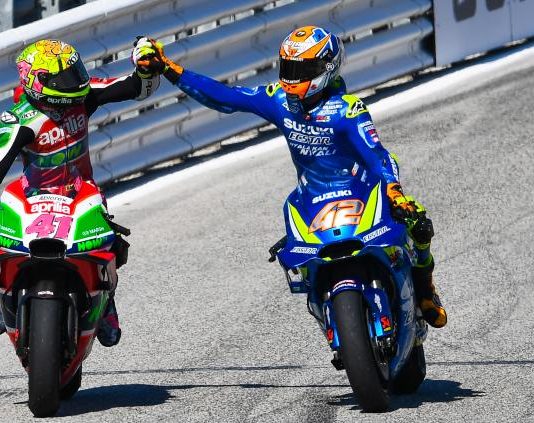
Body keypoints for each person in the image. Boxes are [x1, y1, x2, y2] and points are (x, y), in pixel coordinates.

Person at [133, 27, 447, 329]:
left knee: (418, 223)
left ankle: (425, 292)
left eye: (302, 69)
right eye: (289, 68)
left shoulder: (348, 110)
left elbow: (377, 154)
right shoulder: (279, 100)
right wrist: (170, 69)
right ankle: (324, 299)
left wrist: (393, 189)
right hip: (312, 199)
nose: (292, 78)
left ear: (326, 68)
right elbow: (226, 97)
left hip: (362, 192)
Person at [0, 39, 161, 346]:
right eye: (63, 78)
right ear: (38, 81)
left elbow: (135, 88)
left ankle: (106, 299)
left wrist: (145, 67)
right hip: (33, 198)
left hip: (80, 193)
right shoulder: (19, 119)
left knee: (111, 242)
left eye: (75, 73)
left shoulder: (83, 97)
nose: (74, 82)